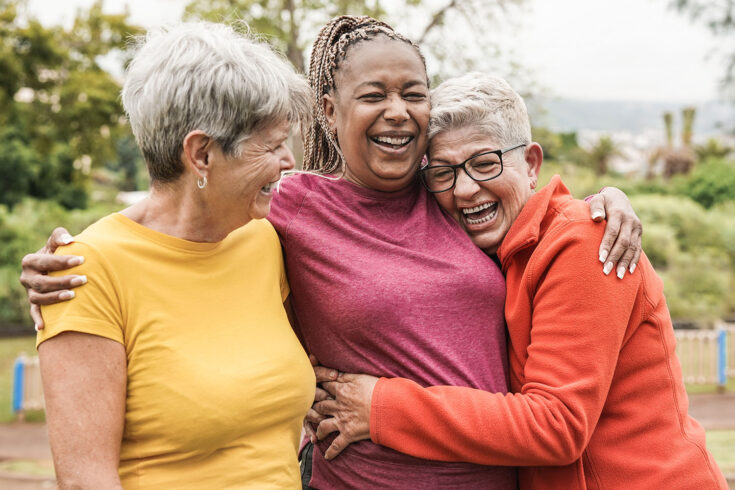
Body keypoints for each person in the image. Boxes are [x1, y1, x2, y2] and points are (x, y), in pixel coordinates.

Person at [21, 16, 644, 489]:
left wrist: (606, 203)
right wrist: (63, 261)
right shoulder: (284, 210)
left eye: (413, 93)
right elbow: (178, 223)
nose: (397, 112)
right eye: (373, 94)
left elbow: (526, 201)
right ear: (330, 109)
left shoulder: (452, 193)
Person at [306, 72, 728, 489]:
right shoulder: (492, 254)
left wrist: (381, 407)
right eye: (443, 174)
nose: (466, 189)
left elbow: (556, 425)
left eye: (485, 164)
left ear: (531, 164)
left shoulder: (583, 241)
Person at [32, 22, 315, 488]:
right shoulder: (84, 272)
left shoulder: (264, 238)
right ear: (201, 154)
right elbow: (87, 480)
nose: (289, 162)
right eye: (272, 145)